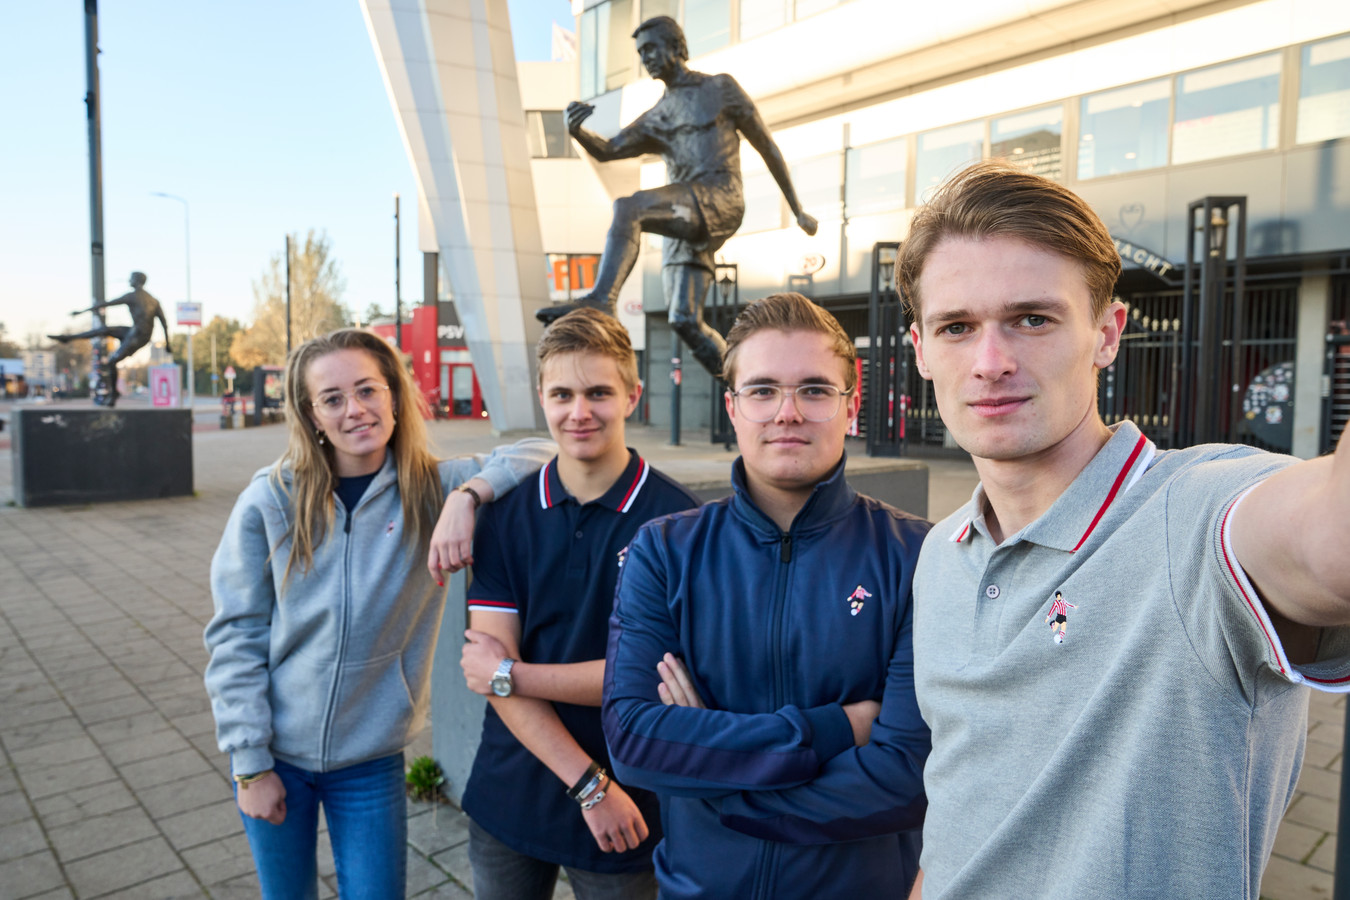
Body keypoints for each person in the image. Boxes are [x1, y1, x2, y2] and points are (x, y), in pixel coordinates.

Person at [897, 160, 1350, 899]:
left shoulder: (1193, 513)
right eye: (957, 327)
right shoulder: (941, 552)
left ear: (1107, 334)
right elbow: (964, 797)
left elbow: (1331, 542)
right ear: (920, 350)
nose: (991, 362)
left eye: (1032, 319)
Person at [204, 328, 553, 900]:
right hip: (275, 754)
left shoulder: (434, 488)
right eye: (333, 398)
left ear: (394, 395)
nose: (355, 410)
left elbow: (545, 452)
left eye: (368, 390)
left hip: (369, 760)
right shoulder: (271, 500)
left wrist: (468, 497)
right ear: (312, 415)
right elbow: (235, 635)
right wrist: (250, 764)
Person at [602, 292, 932, 899]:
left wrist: (714, 777)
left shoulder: (917, 556)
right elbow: (634, 740)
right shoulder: (664, 552)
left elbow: (907, 775)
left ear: (851, 405)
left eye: (814, 389)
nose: (787, 412)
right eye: (762, 390)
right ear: (733, 407)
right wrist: (836, 727)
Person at [457, 308, 700, 900]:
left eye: (598, 393)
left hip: (631, 806)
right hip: (511, 795)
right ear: (542, 398)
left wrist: (511, 674)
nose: (579, 411)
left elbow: (645, 677)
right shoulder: (504, 518)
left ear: (632, 395)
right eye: (562, 394)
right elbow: (488, 671)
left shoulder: (680, 524)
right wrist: (590, 786)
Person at [537, 15, 818, 376]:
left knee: (628, 207)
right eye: (641, 53)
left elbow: (766, 145)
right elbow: (608, 150)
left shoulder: (719, 88)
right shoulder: (658, 114)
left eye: (651, 49)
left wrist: (797, 209)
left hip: (719, 198)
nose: (646, 58)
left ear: (676, 47)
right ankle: (743, 386)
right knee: (684, 320)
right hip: (685, 217)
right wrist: (578, 132)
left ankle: (602, 299)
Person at [50, 270, 170, 405]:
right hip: (134, 332)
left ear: (137, 280)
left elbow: (105, 304)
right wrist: (168, 344)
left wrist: (82, 312)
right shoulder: (153, 300)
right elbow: (164, 324)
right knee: (104, 330)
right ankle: (68, 338)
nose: (129, 281)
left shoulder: (133, 296)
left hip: (138, 337)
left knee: (111, 362)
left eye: (131, 278)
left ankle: (113, 395)